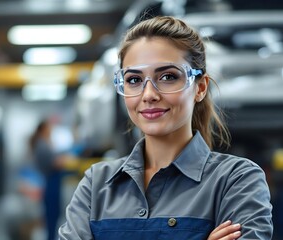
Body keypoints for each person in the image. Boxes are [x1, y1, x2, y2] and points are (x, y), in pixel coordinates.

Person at [59, 16, 273, 239]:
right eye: (134, 80)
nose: (149, 94)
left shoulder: (236, 180)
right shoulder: (97, 185)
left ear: (200, 87)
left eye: (168, 77)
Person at [30, 119, 70, 240]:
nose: (51, 130)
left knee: (52, 216)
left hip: (51, 183)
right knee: (52, 216)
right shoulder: (42, 145)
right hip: (51, 183)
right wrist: (65, 160)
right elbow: (55, 163)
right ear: (43, 129)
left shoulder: (44, 143)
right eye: (49, 128)